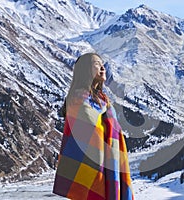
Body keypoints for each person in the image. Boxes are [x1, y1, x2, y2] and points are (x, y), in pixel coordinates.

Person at [53, 53, 134, 200]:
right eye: (96, 64)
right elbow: (90, 138)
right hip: (95, 169)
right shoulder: (78, 100)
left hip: (111, 162)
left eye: (102, 64)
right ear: (85, 70)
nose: (102, 67)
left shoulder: (103, 101)